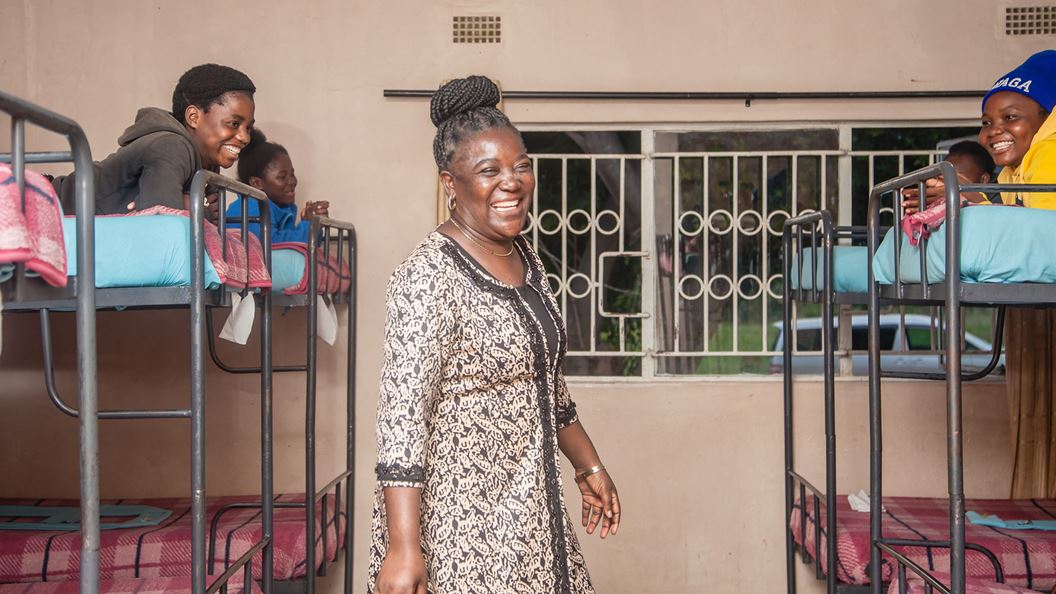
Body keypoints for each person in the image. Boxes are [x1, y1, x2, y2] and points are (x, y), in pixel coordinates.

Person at [370, 75, 620, 594]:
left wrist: (588, 464)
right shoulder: (427, 276)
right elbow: (401, 419)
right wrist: (402, 546)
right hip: (461, 530)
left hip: (534, 514)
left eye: (521, 166)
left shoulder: (527, 260)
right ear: (449, 183)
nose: (513, 182)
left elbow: (548, 387)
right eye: (489, 171)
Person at [51, 63, 255, 215]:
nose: (245, 137)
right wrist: (193, 208)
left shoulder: (207, 163)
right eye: (234, 124)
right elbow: (161, 227)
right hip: (44, 204)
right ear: (194, 117)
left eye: (248, 127)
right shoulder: (171, 147)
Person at [226, 128, 328, 243]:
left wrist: (312, 222)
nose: (292, 181)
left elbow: (291, 246)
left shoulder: (280, 208)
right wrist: (309, 229)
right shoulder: (249, 205)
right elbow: (273, 244)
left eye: (292, 174)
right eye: (282, 177)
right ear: (256, 183)